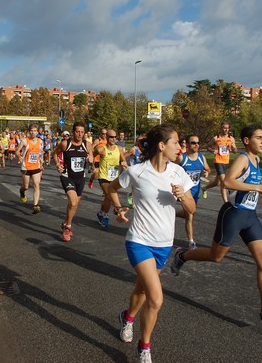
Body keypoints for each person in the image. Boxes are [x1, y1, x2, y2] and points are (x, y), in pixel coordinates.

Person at [170, 124, 262, 325]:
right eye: (259, 138)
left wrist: (257, 189)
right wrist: (258, 187)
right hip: (233, 214)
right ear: (246, 140)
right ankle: (182, 255)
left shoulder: (256, 159)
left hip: (250, 217)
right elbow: (227, 181)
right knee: (216, 257)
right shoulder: (243, 158)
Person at [108, 124, 196, 363]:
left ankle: (127, 317)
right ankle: (144, 346)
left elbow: (191, 209)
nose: (180, 147)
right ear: (161, 145)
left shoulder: (178, 173)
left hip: (163, 244)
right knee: (156, 298)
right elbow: (112, 188)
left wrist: (183, 196)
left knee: (142, 289)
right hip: (139, 241)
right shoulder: (137, 172)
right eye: (176, 142)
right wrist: (118, 208)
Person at [54, 122, 93, 242]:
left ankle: (66, 222)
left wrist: (91, 161)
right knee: (73, 202)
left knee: (73, 205)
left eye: (82, 132)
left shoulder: (87, 144)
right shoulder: (66, 143)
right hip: (67, 176)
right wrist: (57, 165)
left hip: (80, 178)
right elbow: (55, 153)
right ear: (73, 132)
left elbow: (91, 158)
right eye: (77, 131)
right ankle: (67, 228)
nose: (80, 134)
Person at [175, 134, 210, 250]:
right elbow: (171, 169)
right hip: (185, 191)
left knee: (191, 212)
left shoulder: (201, 158)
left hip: (196, 191)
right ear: (188, 144)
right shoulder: (182, 158)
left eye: (198, 143)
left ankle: (172, 213)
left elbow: (208, 168)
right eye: (193, 143)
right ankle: (191, 242)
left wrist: (206, 172)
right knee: (190, 216)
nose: (196, 145)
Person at [95, 129, 127, 229]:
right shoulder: (102, 149)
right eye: (111, 137)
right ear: (107, 138)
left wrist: (124, 163)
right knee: (109, 195)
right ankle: (105, 215)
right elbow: (91, 153)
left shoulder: (119, 149)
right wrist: (93, 166)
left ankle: (101, 213)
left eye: (114, 137)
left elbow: (123, 160)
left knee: (107, 198)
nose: (113, 139)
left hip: (114, 178)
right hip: (103, 177)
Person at [202, 122, 238, 202]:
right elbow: (208, 146)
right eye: (224, 128)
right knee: (224, 182)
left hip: (226, 161)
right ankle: (226, 202)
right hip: (218, 161)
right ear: (221, 128)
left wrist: (233, 148)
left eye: (227, 128)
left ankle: (205, 187)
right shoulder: (216, 138)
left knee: (217, 182)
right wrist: (212, 150)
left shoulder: (231, 138)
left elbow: (235, 150)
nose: (226, 130)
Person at [16, 124, 44, 214]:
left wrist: (42, 162)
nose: (33, 132)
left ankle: (35, 206)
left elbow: (40, 153)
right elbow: (17, 151)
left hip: (36, 166)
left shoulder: (40, 141)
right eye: (31, 130)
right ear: (29, 131)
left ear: (37, 131)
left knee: (36, 185)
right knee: (26, 186)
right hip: (26, 167)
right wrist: (19, 156)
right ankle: (22, 191)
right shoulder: (24, 141)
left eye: (35, 130)